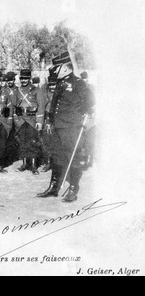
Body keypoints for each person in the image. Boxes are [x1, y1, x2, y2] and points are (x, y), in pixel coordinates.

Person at [37, 52, 95, 202]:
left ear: (64, 68)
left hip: (71, 127)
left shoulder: (78, 83)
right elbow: (54, 104)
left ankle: (73, 189)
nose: (54, 70)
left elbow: (90, 100)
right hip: (58, 125)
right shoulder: (60, 82)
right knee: (57, 155)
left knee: (73, 157)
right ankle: (54, 187)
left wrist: (80, 114)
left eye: (56, 67)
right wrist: (50, 121)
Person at [13, 69, 46, 175]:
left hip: (32, 119)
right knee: (22, 143)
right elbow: (13, 106)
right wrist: (16, 119)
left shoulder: (36, 90)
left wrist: (39, 121)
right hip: (21, 120)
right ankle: (24, 164)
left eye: (26, 78)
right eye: (22, 78)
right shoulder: (17, 91)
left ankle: (33, 166)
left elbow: (41, 106)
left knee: (33, 143)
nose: (23, 80)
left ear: (29, 79)